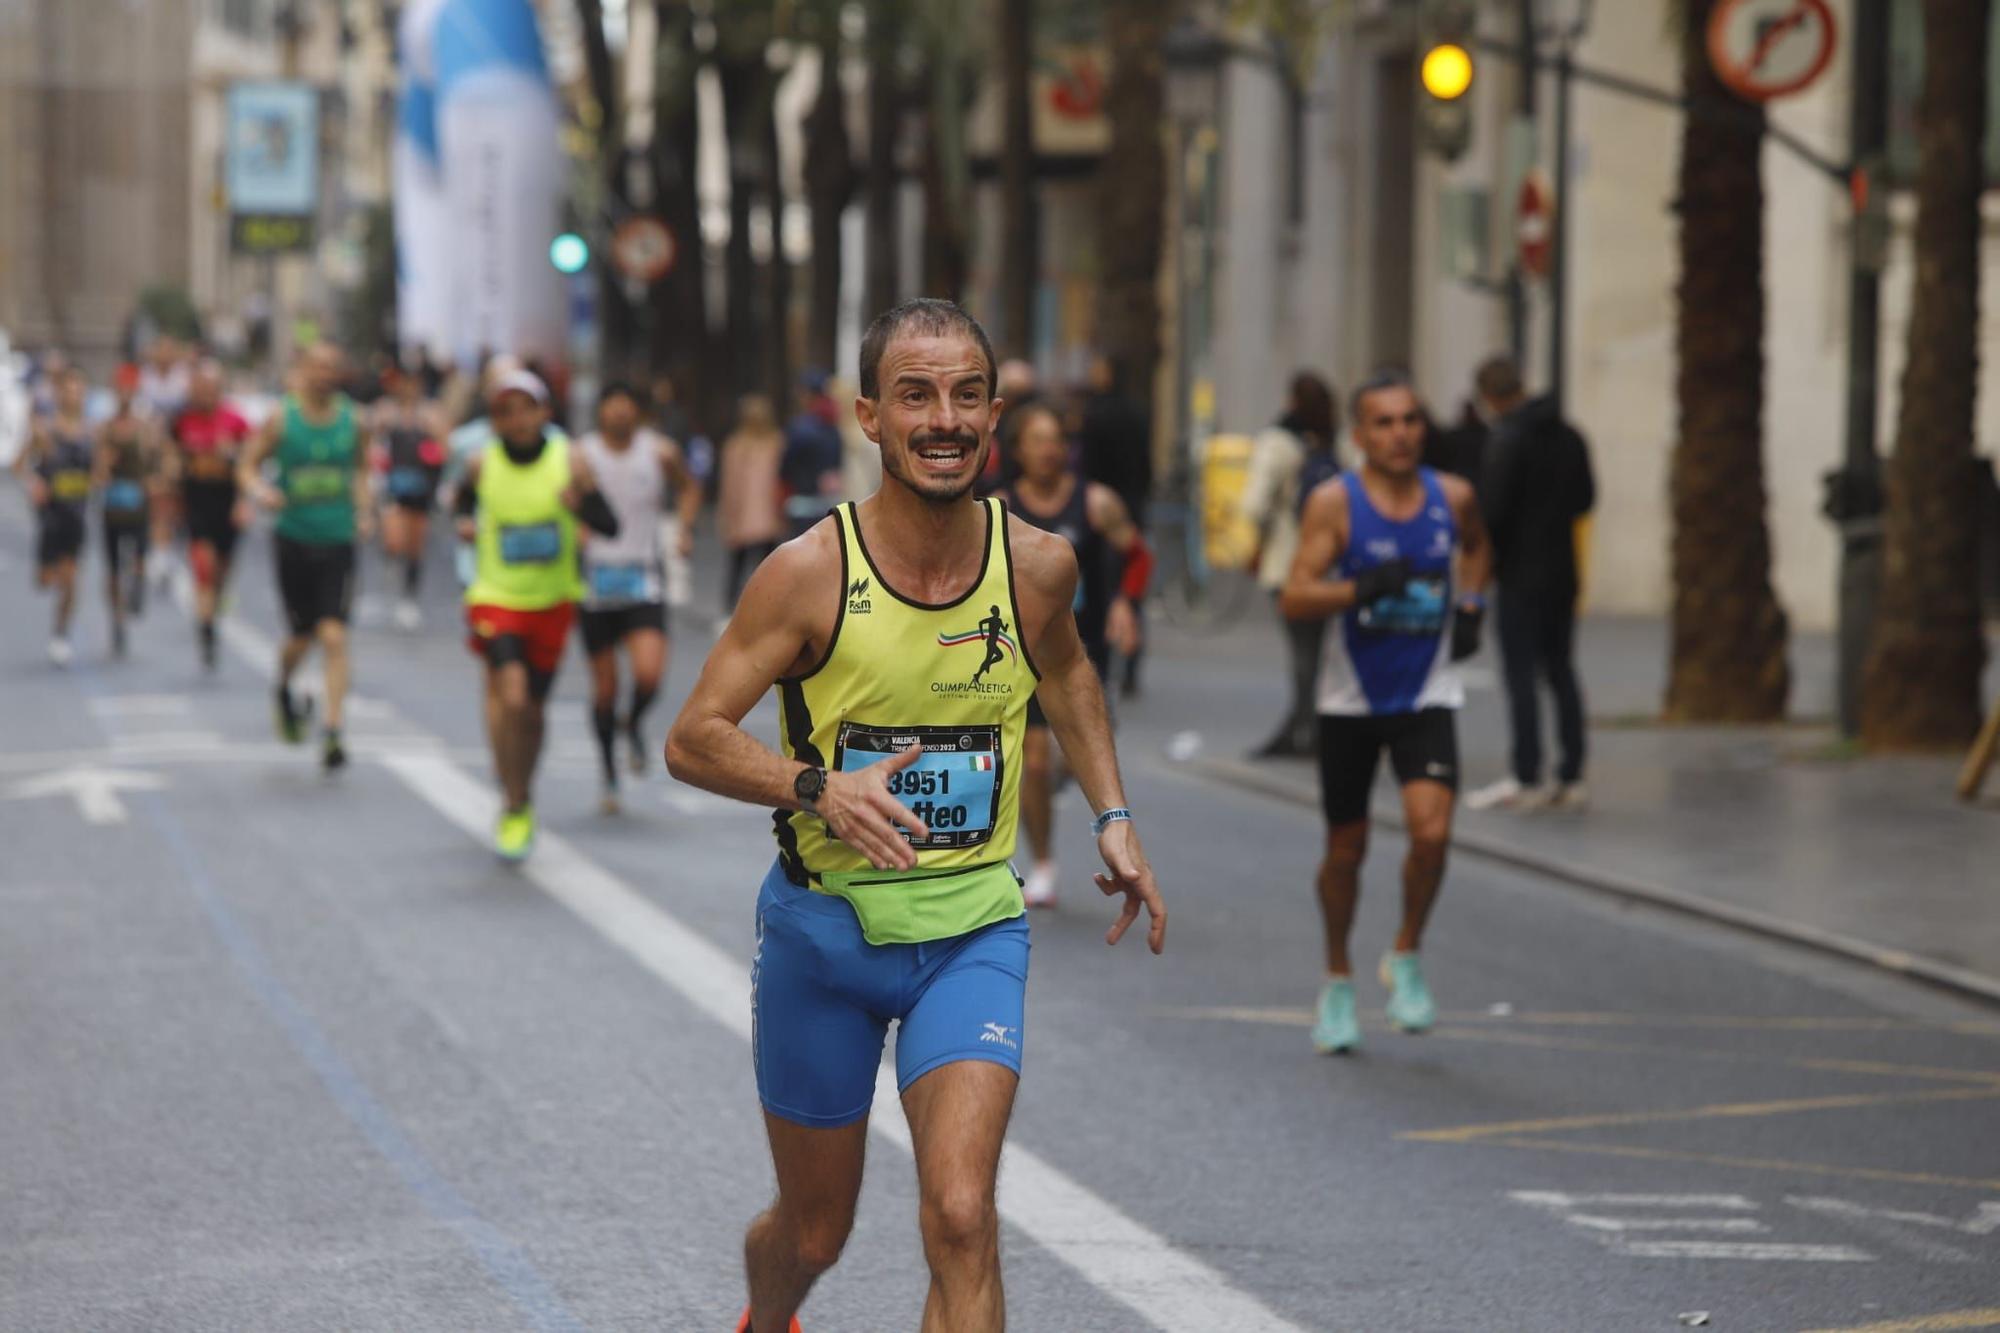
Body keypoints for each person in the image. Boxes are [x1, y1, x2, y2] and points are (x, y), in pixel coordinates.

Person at [664, 298, 1166, 1333]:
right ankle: (766, 1318)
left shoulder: (1036, 566)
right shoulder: (807, 574)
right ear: (869, 417)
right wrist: (817, 786)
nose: (944, 418)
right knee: (812, 1236)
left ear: (993, 414)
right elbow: (693, 734)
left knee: (961, 1212)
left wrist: (1110, 811)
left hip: (970, 929)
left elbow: (1066, 674)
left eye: (966, 395)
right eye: (915, 395)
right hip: (824, 934)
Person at [1279, 370, 1491, 1055]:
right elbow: (1295, 595)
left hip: (1427, 693)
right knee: (1348, 849)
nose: (1400, 434)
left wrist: (1471, 607)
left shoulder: (1453, 496)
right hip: (1351, 701)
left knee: (1432, 833)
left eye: (1410, 420)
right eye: (1384, 423)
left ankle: (1405, 953)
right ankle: (1337, 977)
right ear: (1360, 433)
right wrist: (1361, 587)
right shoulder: (1334, 503)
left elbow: (1480, 548)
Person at [456, 369, 620, 859]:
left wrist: (581, 504)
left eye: (525, 407)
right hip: (496, 596)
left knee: (532, 711)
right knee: (511, 695)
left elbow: (608, 524)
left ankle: (522, 789)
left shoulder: (569, 459)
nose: (517, 418)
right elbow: (462, 507)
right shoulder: (480, 464)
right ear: (495, 419)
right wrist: (465, 521)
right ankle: (512, 800)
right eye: (505, 410)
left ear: (544, 412)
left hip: (552, 601)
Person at [1002, 403, 1150, 908]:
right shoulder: (1000, 508)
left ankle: (1060, 782)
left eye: (1056, 439)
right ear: (1018, 449)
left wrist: (1126, 603)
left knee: (1068, 759)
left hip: (1085, 652)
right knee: (1036, 762)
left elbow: (1138, 554)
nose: (1049, 449)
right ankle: (1043, 861)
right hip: (1026, 654)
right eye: (1037, 439)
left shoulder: (1095, 502)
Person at [1465, 355, 1597, 813]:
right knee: (1561, 668)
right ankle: (1572, 772)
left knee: (1520, 673)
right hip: (1563, 568)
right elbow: (1585, 499)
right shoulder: (1569, 434)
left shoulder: (1507, 439)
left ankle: (1526, 773)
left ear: (1490, 396)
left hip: (1520, 573)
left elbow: (1492, 512)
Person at [239, 343, 373, 772]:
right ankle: (283, 682)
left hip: (338, 538)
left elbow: (362, 471)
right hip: (294, 538)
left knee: (334, 634)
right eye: (316, 368)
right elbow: (247, 465)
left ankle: (333, 730)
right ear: (302, 371)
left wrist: (365, 510)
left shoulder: (356, 421)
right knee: (301, 637)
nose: (324, 376)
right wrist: (261, 491)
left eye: (331, 369)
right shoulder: (283, 418)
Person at [577, 381, 700, 814]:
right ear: (601, 415)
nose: (620, 419)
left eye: (627, 412)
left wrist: (683, 528)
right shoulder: (582, 454)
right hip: (595, 582)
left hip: (642, 580)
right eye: (612, 412)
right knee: (605, 689)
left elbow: (689, 487)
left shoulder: (659, 452)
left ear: (637, 416)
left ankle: (634, 723)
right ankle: (610, 771)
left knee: (649, 674)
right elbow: (566, 500)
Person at [1241, 372, 1340, 758]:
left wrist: (1258, 539)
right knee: (1314, 650)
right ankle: (1306, 723)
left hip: (1286, 562)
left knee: (1301, 653)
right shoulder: (1332, 439)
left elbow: (1254, 504)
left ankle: (1303, 727)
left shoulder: (1277, 443)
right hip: (1328, 563)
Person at [168, 360, 255, 670]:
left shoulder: (235, 420)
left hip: (227, 502)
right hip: (197, 504)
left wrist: (245, 501)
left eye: (210, 388)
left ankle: (212, 611)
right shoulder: (181, 420)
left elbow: (250, 462)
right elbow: (169, 456)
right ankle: (206, 627)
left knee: (222, 571)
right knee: (203, 567)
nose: (204, 394)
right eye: (199, 388)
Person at [13, 365, 94, 665]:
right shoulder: (45, 432)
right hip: (50, 517)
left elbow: (99, 471)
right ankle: (54, 575)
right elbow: (18, 464)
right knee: (45, 580)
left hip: (78, 515)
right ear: (59, 394)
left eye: (79, 391)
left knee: (71, 580)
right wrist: (33, 484)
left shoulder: (91, 432)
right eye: (68, 390)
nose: (74, 396)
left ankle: (60, 634)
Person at [371, 367, 450, 629]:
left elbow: (445, 446)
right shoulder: (386, 410)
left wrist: (433, 433)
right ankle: (392, 564)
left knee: (416, 545)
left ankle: (409, 596)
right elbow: (370, 439)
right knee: (394, 540)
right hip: (394, 485)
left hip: (421, 486)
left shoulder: (431, 412)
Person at [95, 365, 160, 657]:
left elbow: (160, 460)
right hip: (113, 506)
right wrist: (102, 469)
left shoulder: (145, 427)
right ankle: (117, 621)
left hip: (139, 503)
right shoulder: (105, 429)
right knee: (112, 568)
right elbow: (97, 466)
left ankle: (136, 588)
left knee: (139, 558)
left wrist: (155, 479)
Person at [718, 395, 786, 610]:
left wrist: (728, 517)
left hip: (748, 515)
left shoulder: (737, 445)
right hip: (767, 513)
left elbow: (730, 486)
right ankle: (767, 606)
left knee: (739, 564)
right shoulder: (776, 442)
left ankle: (732, 608)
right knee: (768, 565)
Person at [780, 370, 844, 539]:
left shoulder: (799, 427)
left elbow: (786, 467)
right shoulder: (833, 425)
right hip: (829, 501)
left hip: (802, 502)